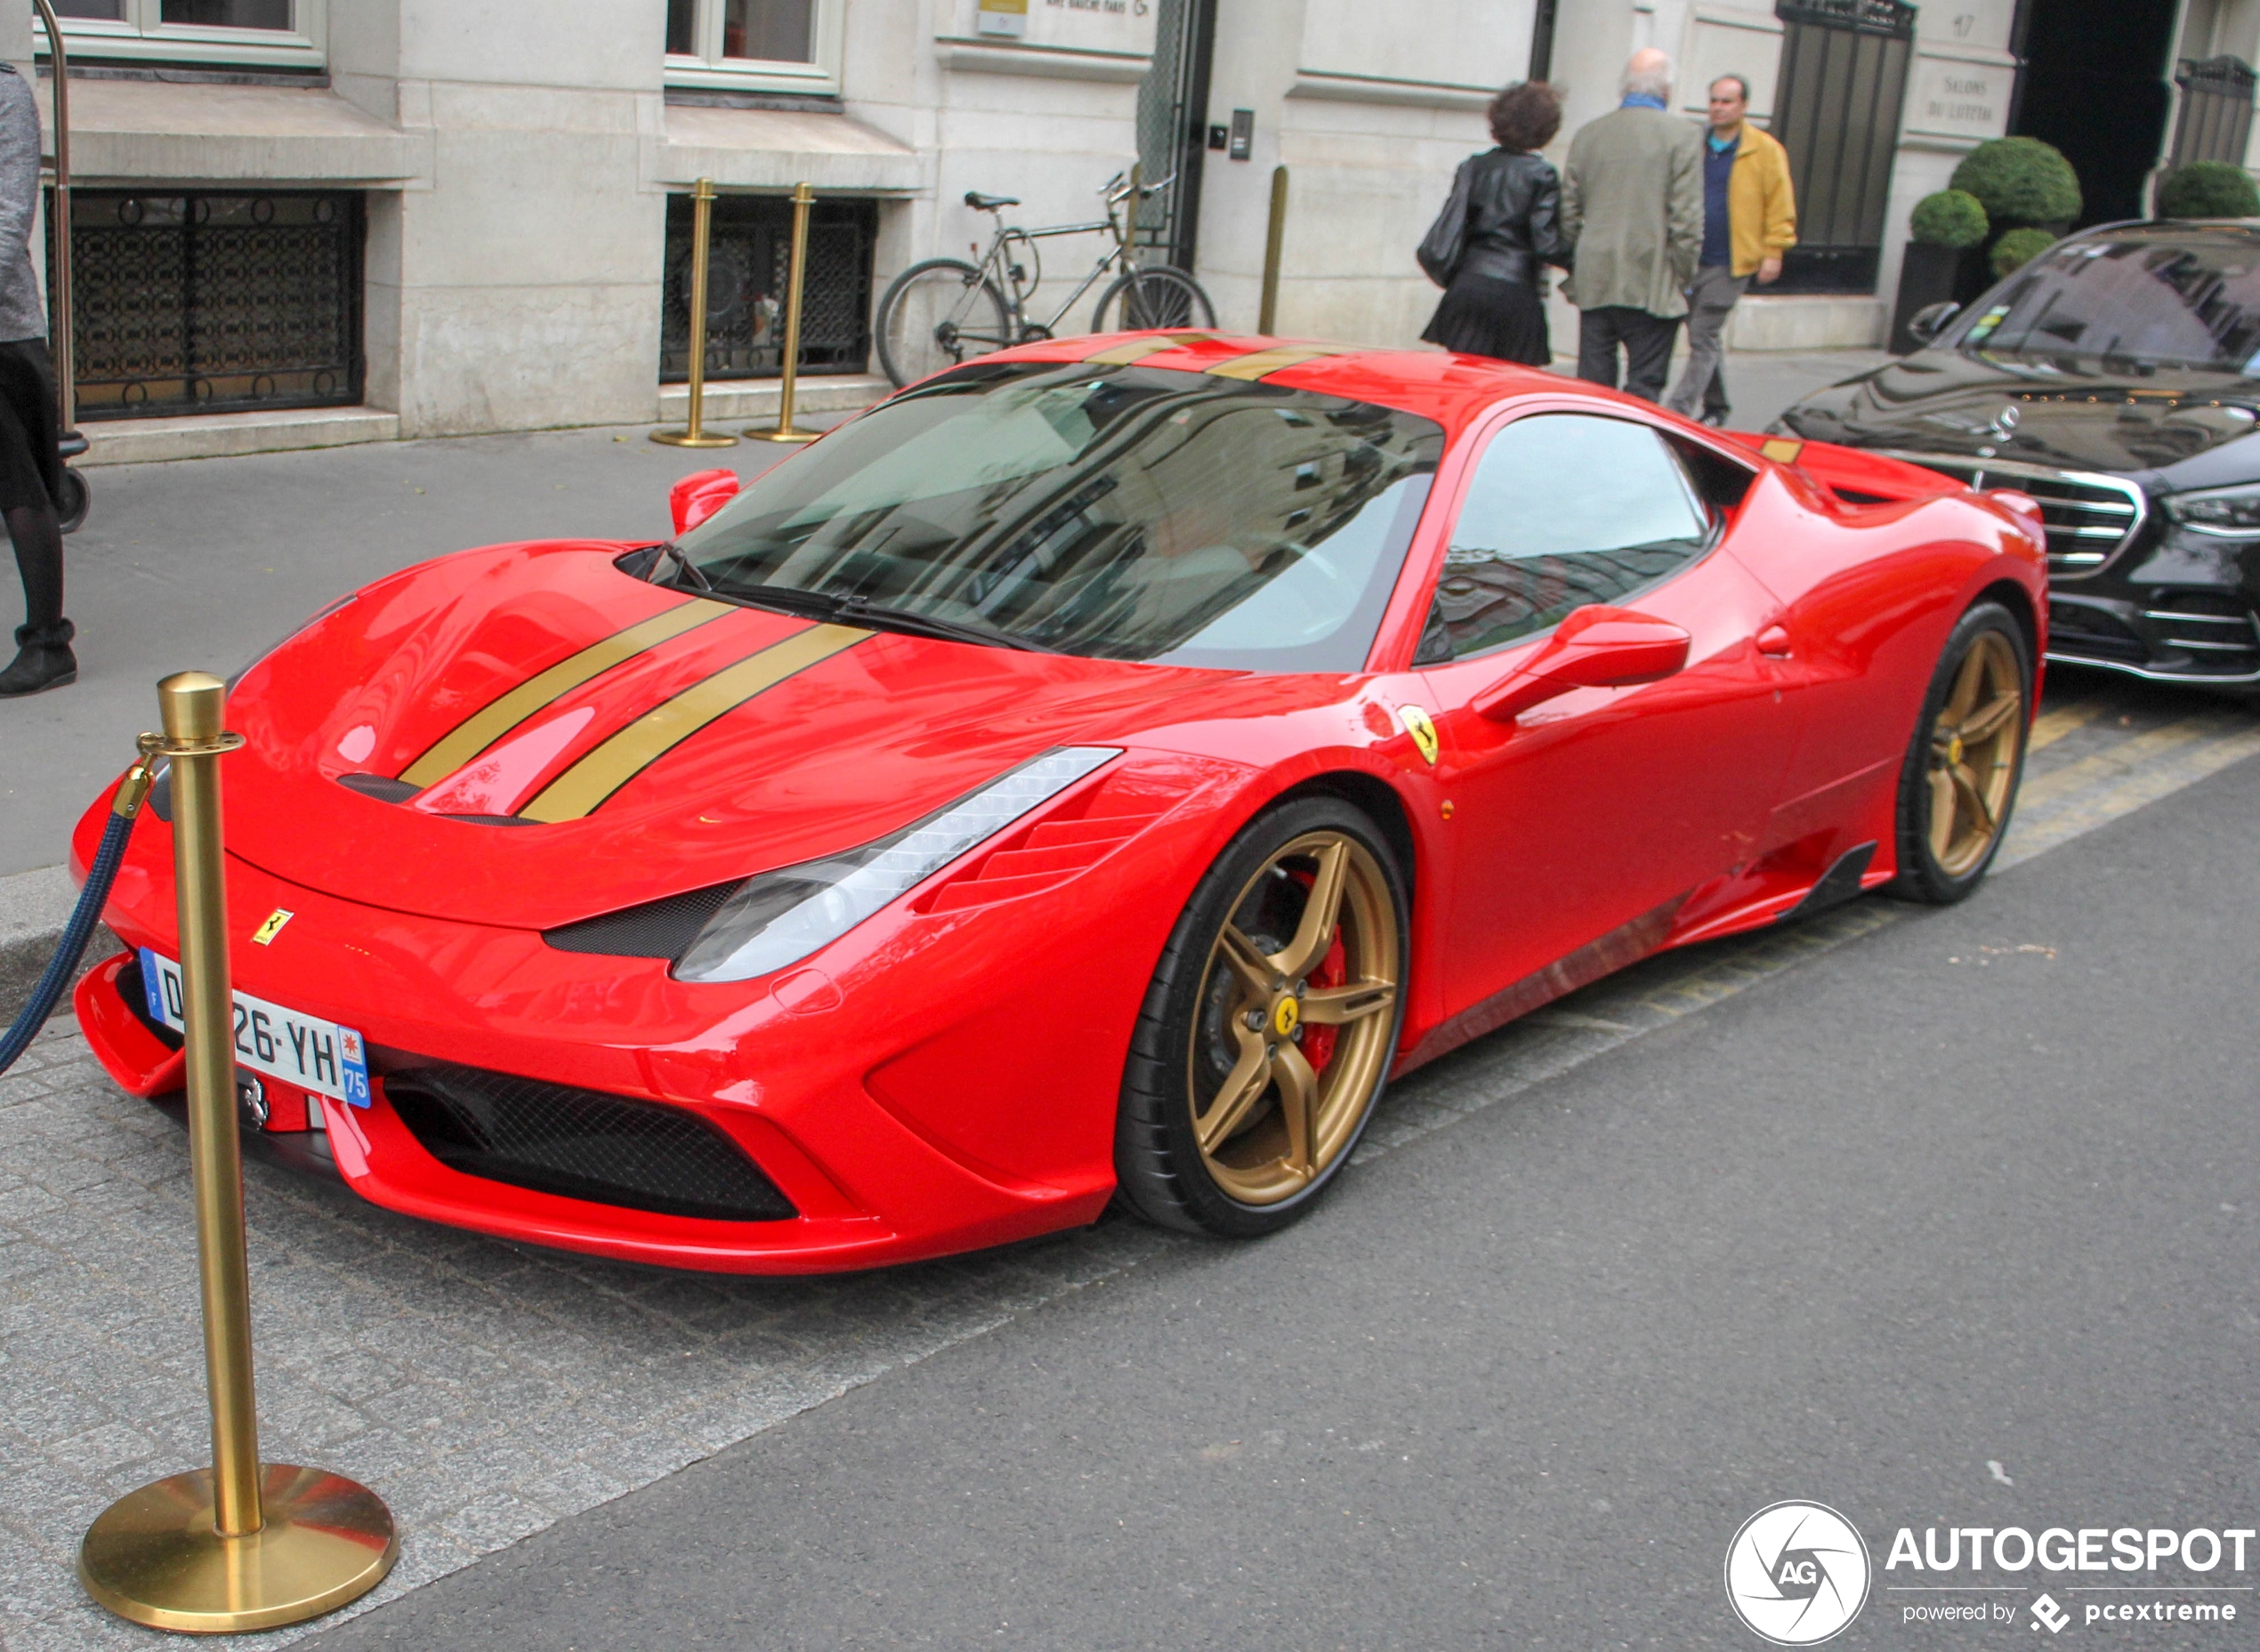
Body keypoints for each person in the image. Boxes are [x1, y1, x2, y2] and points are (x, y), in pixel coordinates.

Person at [1561, 48, 1704, 403]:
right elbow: (1686, 219)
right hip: (1653, 275)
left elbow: (1568, 211)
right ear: (1667, 90)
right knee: (1644, 387)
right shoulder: (1683, 135)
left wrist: (1580, 253)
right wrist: (1684, 274)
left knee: (1593, 388)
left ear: (1624, 87)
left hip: (1597, 274)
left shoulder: (1589, 134)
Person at [1665, 74, 1797, 425]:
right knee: (1701, 332)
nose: (1718, 108)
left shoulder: (1765, 150)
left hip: (1732, 260)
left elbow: (1779, 203)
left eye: (1727, 101)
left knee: (1703, 331)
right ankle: (1718, 405)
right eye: (1714, 101)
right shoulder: (1695, 143)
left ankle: (1679, 409)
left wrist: (1774, 250)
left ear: (1743, 106)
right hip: (1691, 255)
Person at [0, 61, 70, 698]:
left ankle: (49, 643)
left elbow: (9, 218)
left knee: (20, 488)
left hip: (2, 335)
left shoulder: (6, 93)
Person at [1417, 81, 1571, 367]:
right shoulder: (1542, 174)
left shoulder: (1473, 167)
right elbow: (1547, 243)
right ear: (1547, 129)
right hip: (1515, 293)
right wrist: (1578, 258)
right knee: (1509, 387)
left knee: (1462, 382)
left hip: (1468, 287)